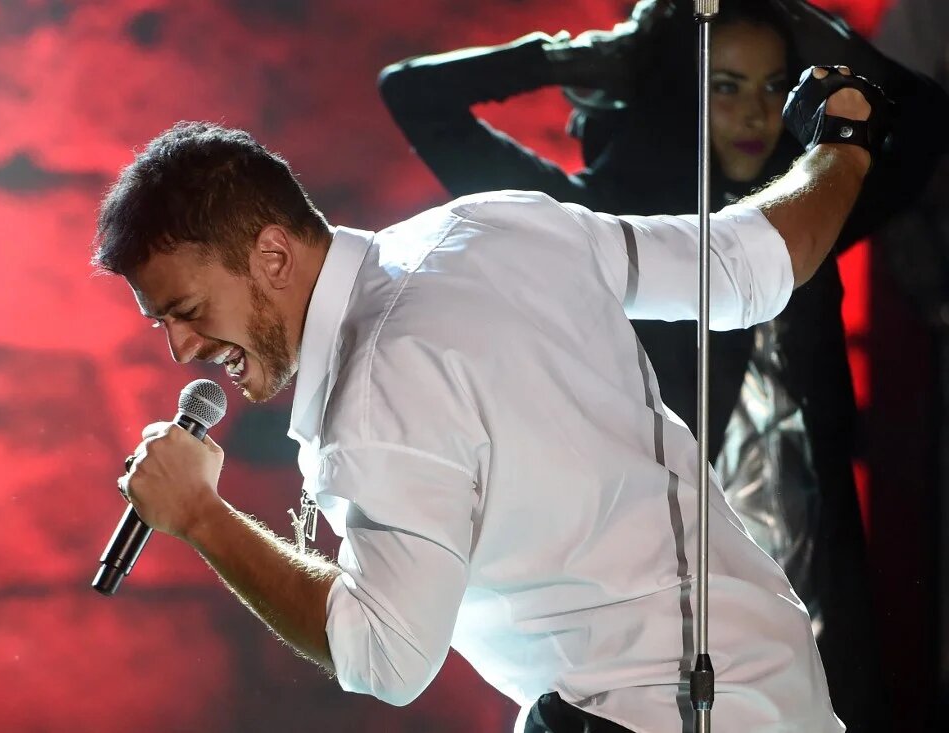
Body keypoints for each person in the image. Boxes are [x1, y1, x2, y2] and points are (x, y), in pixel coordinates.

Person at [94, 65, 877, 732]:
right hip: (779, 686)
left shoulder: (375, 391)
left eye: (188, 311)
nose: (181, 350)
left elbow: (386, 655)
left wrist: (201, 515)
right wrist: (844, 141)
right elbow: (748, 266)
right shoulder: (499, 224)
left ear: (271, 253)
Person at [377, 1, 949, 728]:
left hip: (811, 575)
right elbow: (413, 94)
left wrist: (794, 26)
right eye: (726, 85)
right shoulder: (610, 226)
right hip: (663, 599)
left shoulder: (808, 213)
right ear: (681, 85)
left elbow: (926, 116)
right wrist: (577, 59)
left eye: (776, 86)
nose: (755, 113)